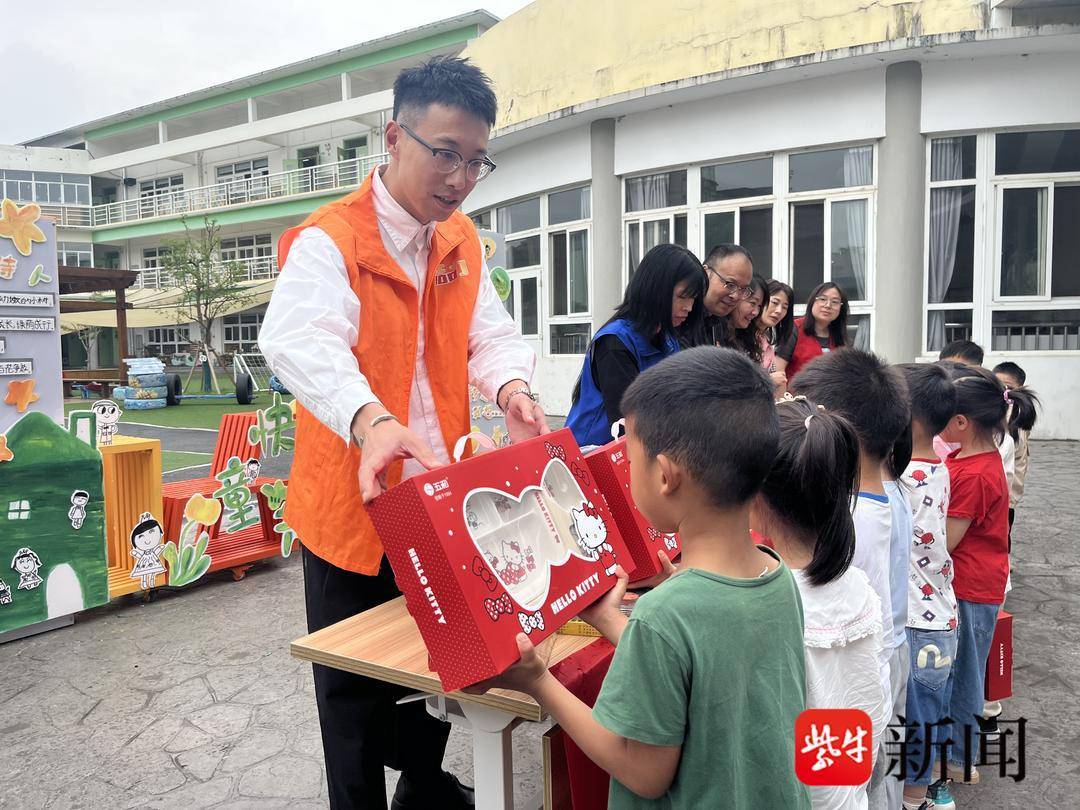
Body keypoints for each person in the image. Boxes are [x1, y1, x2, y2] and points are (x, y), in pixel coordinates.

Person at [259, 56, 549, 810]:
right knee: (352, 702)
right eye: (445, 153)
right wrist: (371, 419)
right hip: (351, 514)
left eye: (475, 160)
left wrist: (512, 386)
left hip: (436, 506)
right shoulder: (330, 241)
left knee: (441, 673)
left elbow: (489, 337)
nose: (459, 177)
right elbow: (296, 339)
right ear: (394, 137)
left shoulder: (461, 243)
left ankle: (423, 790)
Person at [479, 347, 810, 808]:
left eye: (630, 458)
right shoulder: (775, 572)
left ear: (666, 476)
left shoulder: (665, 614)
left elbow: (643, 770)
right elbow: (701, 675)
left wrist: (538, 682)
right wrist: (609, 620)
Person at [752, 393, 888, 810]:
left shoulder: (763, 607)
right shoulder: (860, 589)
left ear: (755, 497)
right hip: (846, 793)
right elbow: (870, 705)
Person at [789, 349, 911, 810]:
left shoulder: (849, 518)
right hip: (887, 654)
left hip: (860, 673)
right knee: (875, 778)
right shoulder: (889, 487)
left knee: (851, 786)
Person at [937, 364, 1037, 786]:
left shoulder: (974, 474)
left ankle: (960, 759)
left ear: (960, 421)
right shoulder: (975, 457)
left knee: (965, 675)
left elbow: (947, 542)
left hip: (971, 587)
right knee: (966, 670)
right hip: (981, 581)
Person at [895, 364, 960, 810]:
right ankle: (927, 792)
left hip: (919, 621)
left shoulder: (902, 479)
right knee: (930, 717)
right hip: (940, 615)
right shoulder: (938, 468)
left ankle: (915, 798)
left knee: (916, 720)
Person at [565, 243, 706, 447]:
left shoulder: (668, 340)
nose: (689, 307)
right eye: (683, 296)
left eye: (693, 298)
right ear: (655, 289)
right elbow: (628, 423)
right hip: (593, 456)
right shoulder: (615, 343)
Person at [992, 361, 1039, 546]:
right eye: (998, 386)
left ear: (1021, 389)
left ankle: (1004, 562)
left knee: (1003, 532)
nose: (1003, 391)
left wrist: (1012, 495)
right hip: (998, 489)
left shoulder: (1017, 416)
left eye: (1009, 387)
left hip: (1008, 492)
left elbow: (1020, 460)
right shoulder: (992, 410)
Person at [785, 282, 849, 380]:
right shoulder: (794, 329)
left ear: (841, 308)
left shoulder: (841, 338)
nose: (828, 305)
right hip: (795, 394)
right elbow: (778, 371)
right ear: (812, 302)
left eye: (835, 302)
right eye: (823, 299)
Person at [701, 243, 755, 346]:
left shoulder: (721, 323)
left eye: (743, 289)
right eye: (730, 284)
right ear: (705, 273)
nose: (735, 296)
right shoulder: (681, 318)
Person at [761, 280, 796, 391]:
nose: (779, 311)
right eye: (775, 303)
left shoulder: (766, 342)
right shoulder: (740, 336)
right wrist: (768, 380)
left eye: (785, 307)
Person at [728, 275, 767, 365]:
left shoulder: (749, 339)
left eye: (759, 306)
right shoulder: (713, 333)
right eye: (753, 303)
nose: (756, 312)